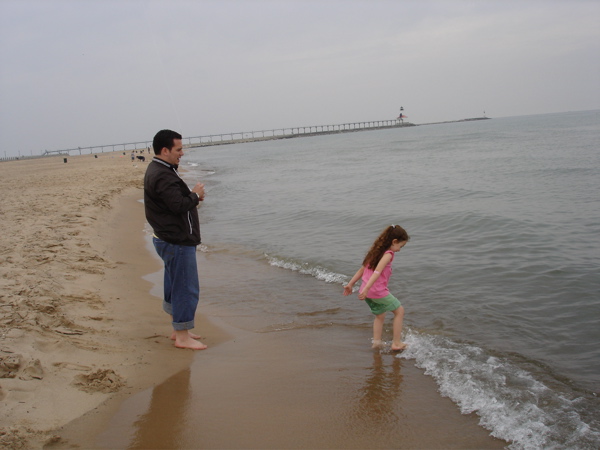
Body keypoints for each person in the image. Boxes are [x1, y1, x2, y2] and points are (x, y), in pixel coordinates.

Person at [144, 129, 207, 350]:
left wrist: (192, 197)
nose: (182, 153)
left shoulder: (161, 170)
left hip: (169, 238)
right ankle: (182, 336)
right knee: (184, 287)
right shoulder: (161, 174)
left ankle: (178, 329)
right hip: (176, 240)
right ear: (165, 150)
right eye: (178, 149)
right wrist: (195, 194)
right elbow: (179, 205)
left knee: (175, 284)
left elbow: (173, 203)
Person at [343, 225, 410, 351]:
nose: (399, 250)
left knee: (380, 315)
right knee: (399, 311)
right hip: (375, 290)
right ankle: (396, 343)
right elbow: (377, 272)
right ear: (394, 241)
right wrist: (368, 288)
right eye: (400, 246)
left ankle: (377, 342)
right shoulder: (388, 254)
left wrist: (350, 284)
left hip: (366, 291)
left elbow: (362, 269)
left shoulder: (374, 252)